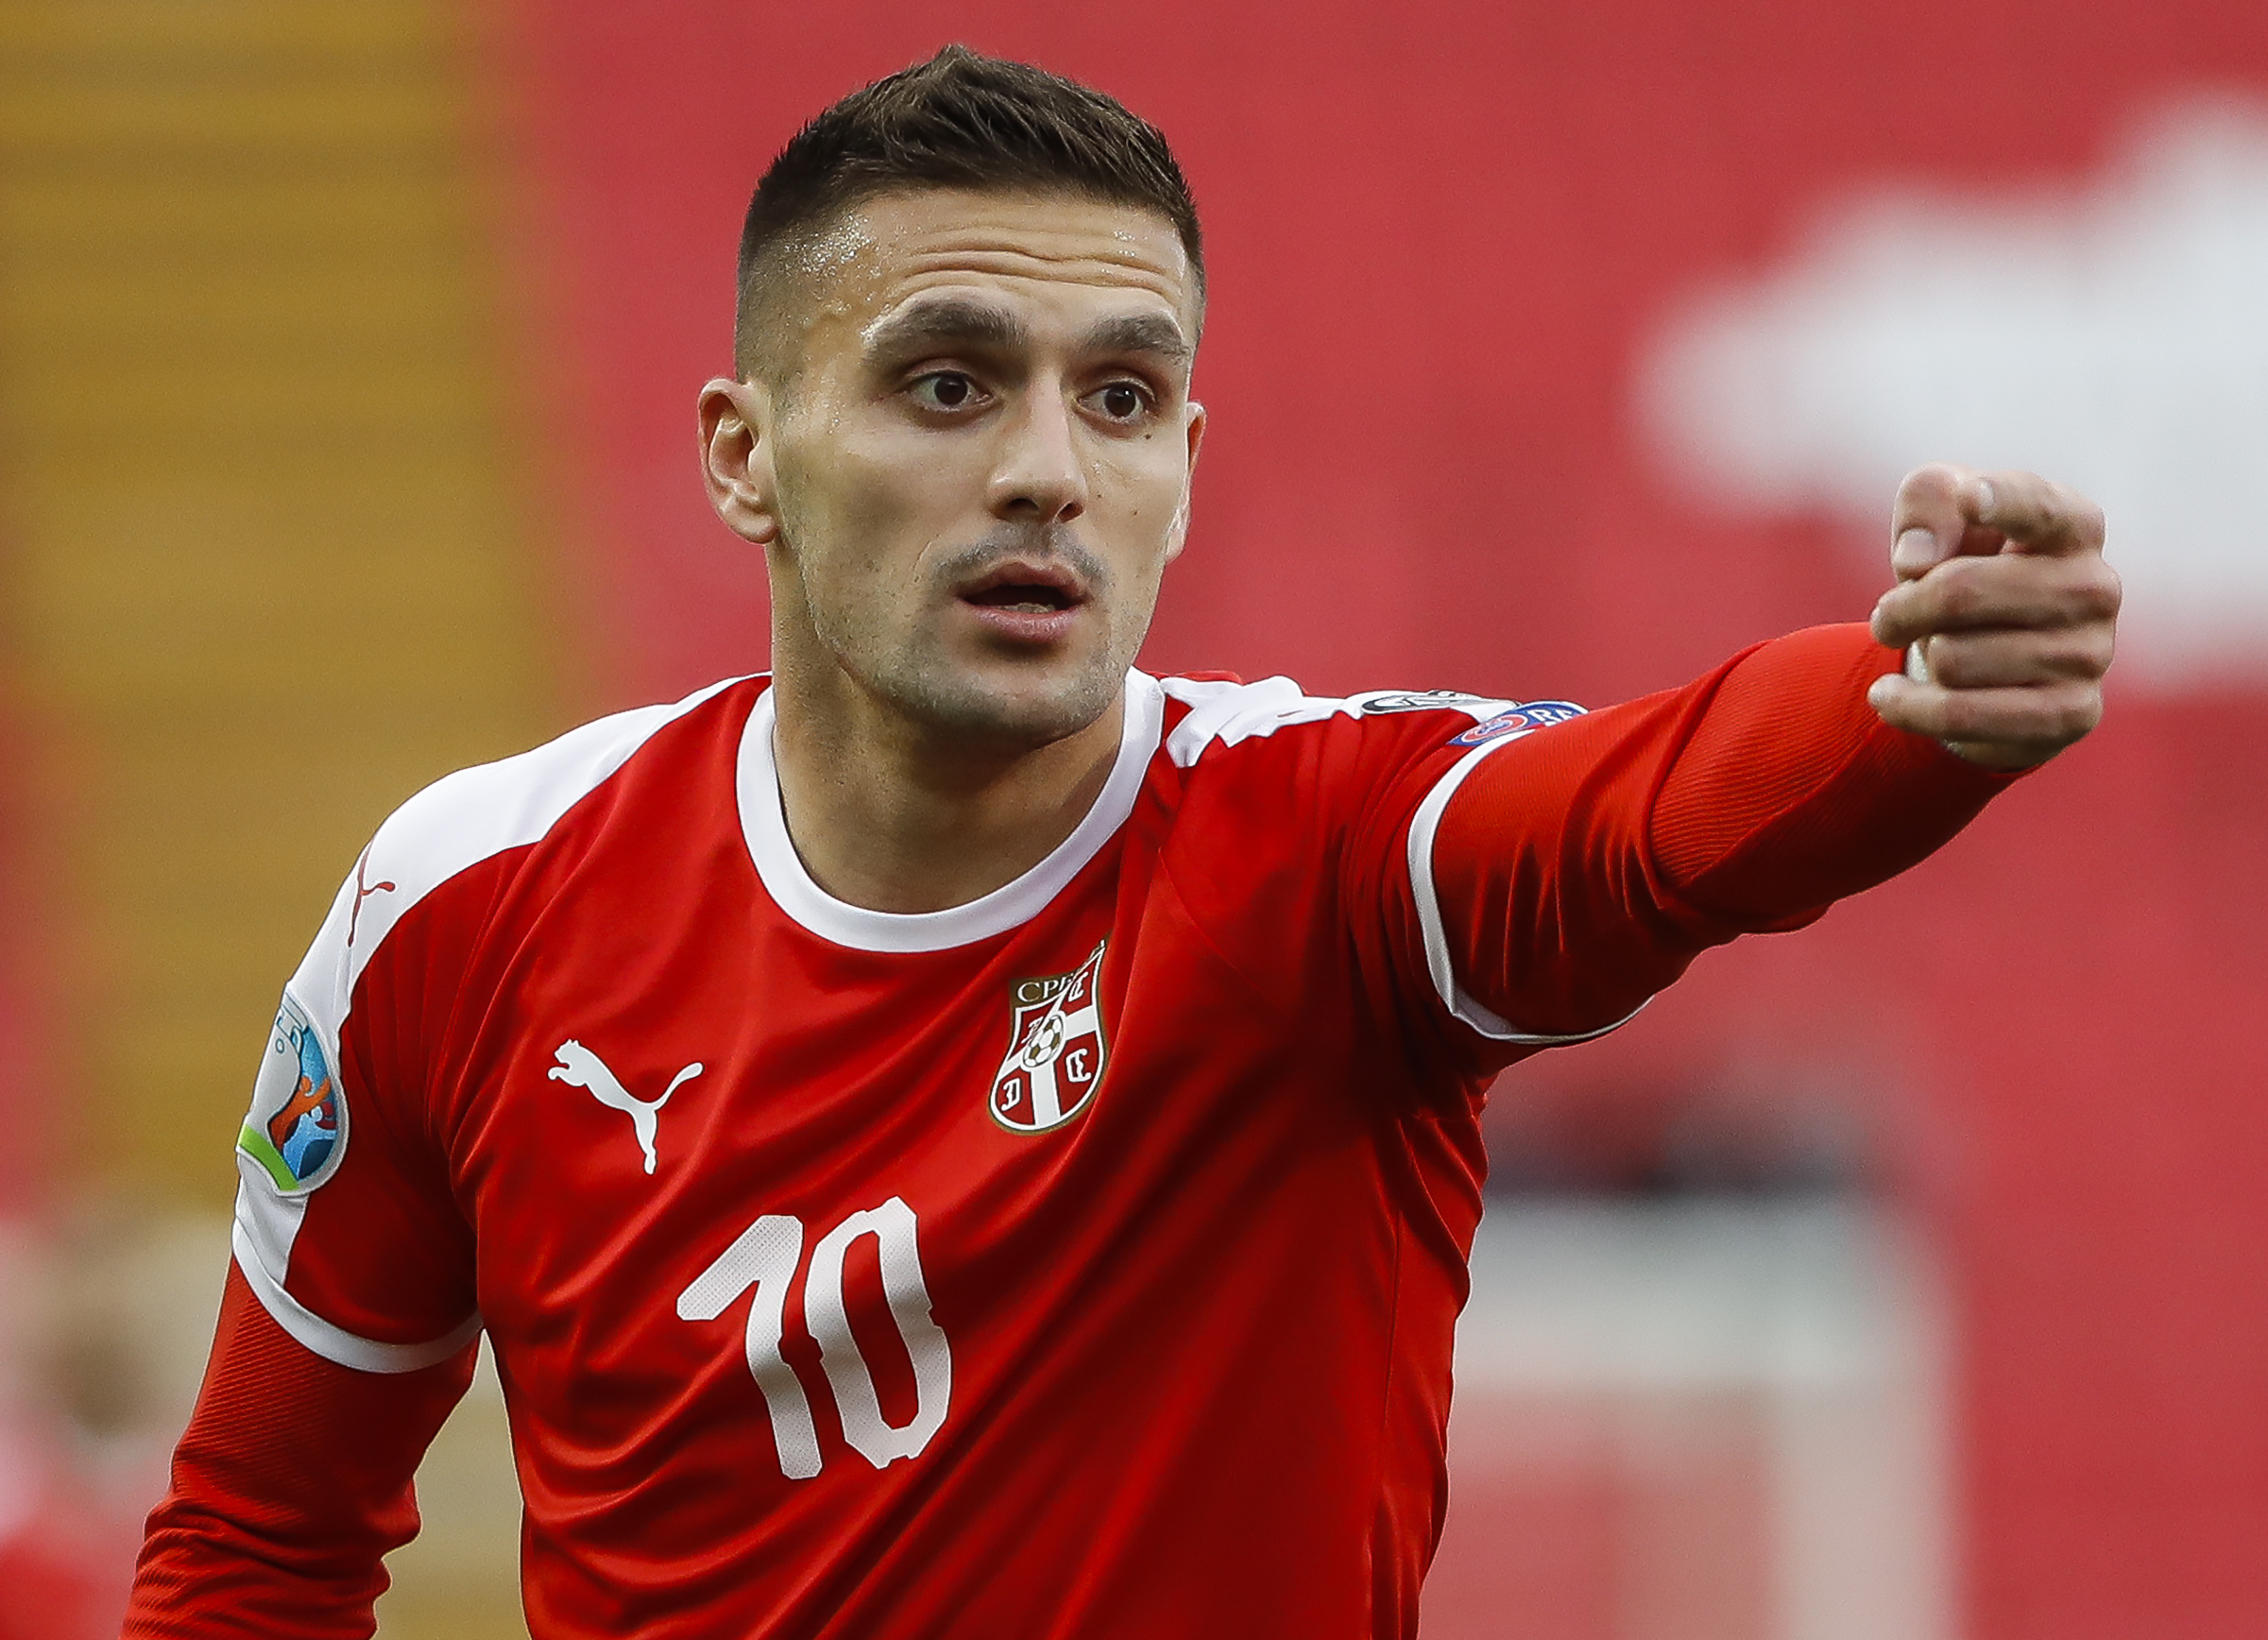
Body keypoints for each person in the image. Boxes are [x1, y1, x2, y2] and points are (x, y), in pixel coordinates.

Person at [123, 44, 2120, 1640]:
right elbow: (256, 1542)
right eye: (946, 383)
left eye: (1124, 397)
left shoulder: (1322, 846)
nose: (1045, 473)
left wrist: (1906, 704)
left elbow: (1646, 817)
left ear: (1187, 462)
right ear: (744, 454)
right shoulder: (467, 907)